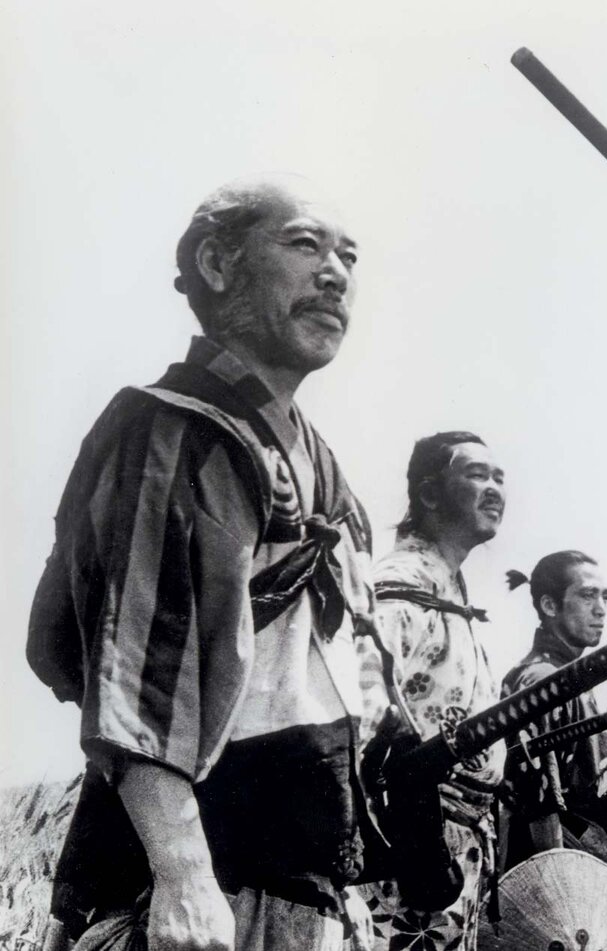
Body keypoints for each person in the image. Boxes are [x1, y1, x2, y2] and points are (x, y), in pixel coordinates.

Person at [26, 176, 376, 951]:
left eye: (350, 256)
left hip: (300, 881)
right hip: (201, 886)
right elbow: (138, 677)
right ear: (219, 264)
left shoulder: (321, 467)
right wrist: (182, 870)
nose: (335, 274)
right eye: (305, 243)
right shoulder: (179, 433)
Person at [357, 431, 506, 951]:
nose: (494, 488)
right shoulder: (403, 582)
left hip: (452, 848)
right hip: (406, 843)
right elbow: (360, 711)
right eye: (477, 474)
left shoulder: (449, 589)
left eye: (499, 477)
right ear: (428, 494)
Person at [499, 550, 607, 868]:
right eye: (587, 595)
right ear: (550, 605)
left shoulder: (569, 676)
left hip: (584, 857)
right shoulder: (543, 680)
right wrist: (561, 881)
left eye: (605, 596)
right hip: (550, 865)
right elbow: (539, 804)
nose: (601, 609)